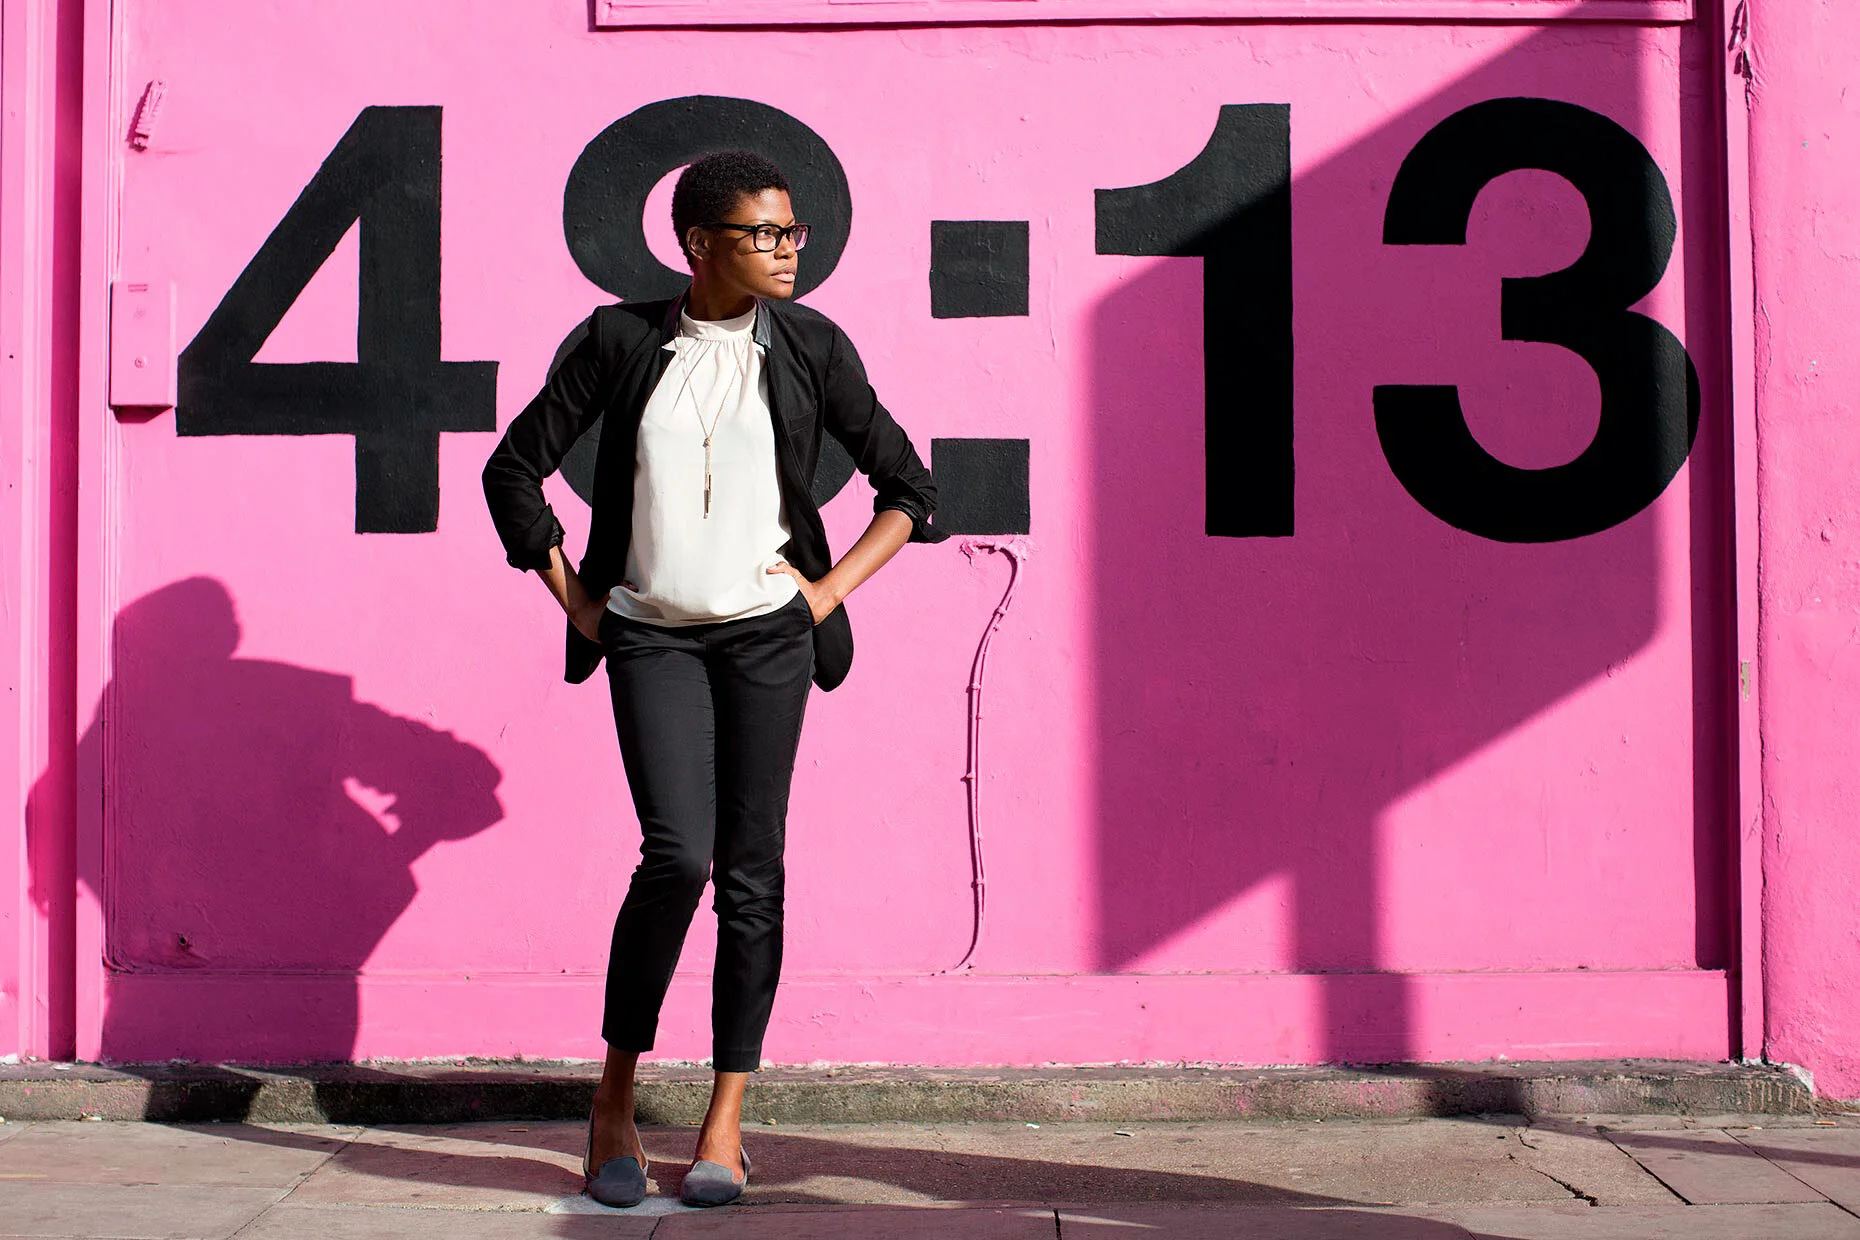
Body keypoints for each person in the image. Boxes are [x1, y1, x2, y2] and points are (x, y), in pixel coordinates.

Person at [482, 150, 946, 1208]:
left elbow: (911, 489)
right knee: (677, 854)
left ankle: (726, 1121)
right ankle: (613, 1095)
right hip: (651, 636)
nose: (788, 250)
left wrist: (821, 600)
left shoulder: (813, 347)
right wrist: (575, 595)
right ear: (699, 243)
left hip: (767, 640)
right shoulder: (620, 340)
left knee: (753, 870)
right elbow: (514, 465)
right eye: (765, 234)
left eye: (793, 233)